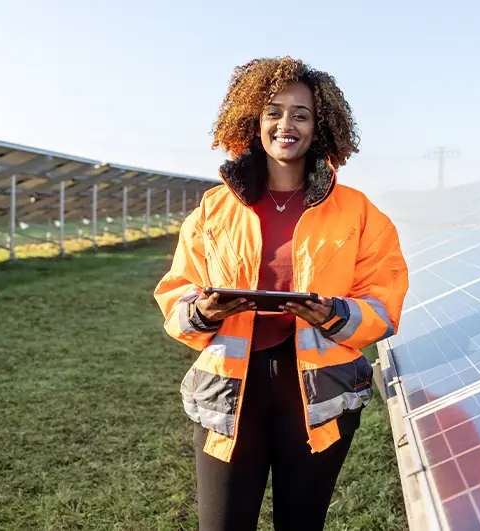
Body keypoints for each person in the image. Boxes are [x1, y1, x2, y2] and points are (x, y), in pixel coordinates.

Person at [153, 56, 409, 530]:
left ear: (321, 126)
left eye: (301, 114)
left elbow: (383, 301)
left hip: (317, 397)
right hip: (230, 394)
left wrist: (331, 313)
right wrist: (205, 310)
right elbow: (176, 293)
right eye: (273, 111)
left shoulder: (358, 212)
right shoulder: (215, 207)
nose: (285, 124)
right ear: (253, 120)